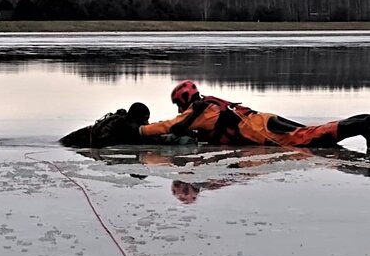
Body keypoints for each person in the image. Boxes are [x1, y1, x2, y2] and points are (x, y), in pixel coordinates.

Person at [139, 80, 370, 150]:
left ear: (184, 99)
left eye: (179, 104)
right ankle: (363, 120)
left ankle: (365, 124)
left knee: (314, 138)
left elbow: (170, 126)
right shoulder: (207, 106)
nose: (179, 110)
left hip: (263, 131)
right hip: (262, 121)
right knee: (312, 132)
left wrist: (139, 130)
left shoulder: (197, 111)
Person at [60, 102, 195, 148]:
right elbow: (152, 137)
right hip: (79, 141)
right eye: (145, 120)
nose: (147, 123)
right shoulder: (127, 127)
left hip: (78, 138)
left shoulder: (124, 120)